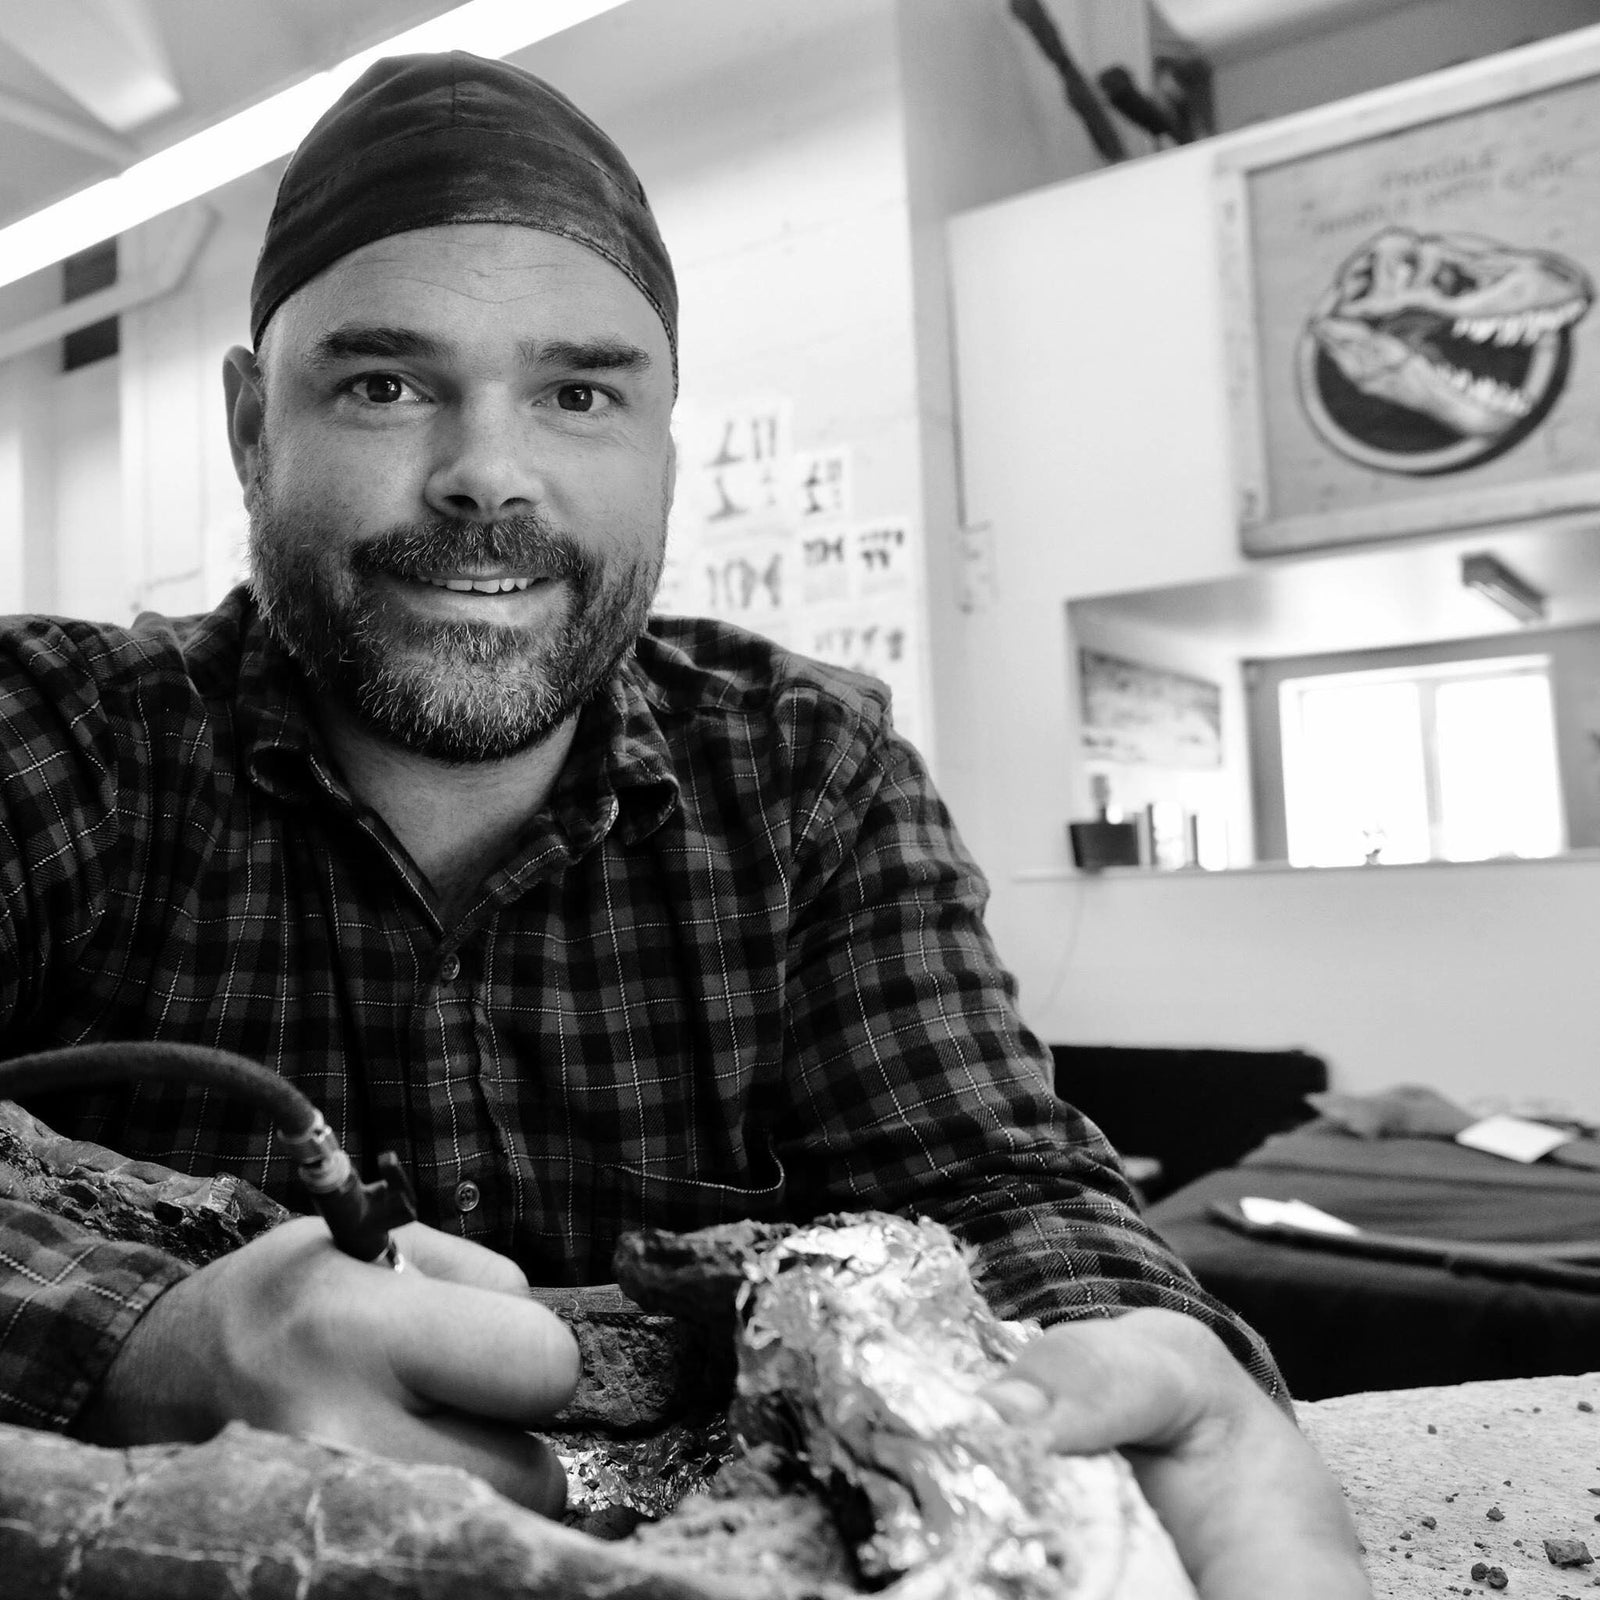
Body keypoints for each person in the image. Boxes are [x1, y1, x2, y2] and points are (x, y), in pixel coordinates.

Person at [0, 52, 1369, 1597]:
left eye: (579, 393)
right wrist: (138, 1331)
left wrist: (1137, 1365)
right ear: (255, 426)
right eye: (384, 384)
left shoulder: (810, 778)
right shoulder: (54, 741)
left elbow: (1000, 1194)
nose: (487, 477)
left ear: (662, 447)